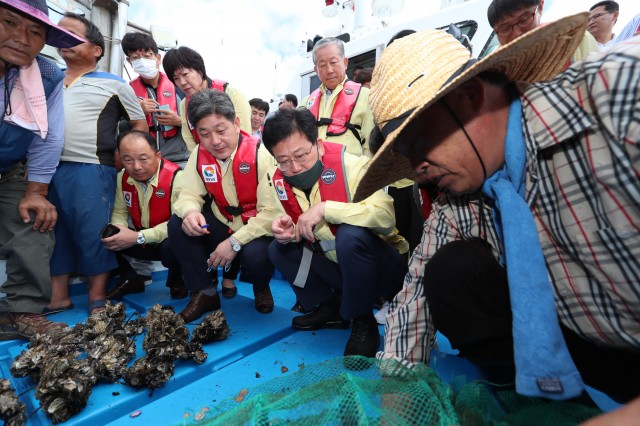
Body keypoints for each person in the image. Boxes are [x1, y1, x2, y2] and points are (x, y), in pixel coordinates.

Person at [353, 16, 640, 419]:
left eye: (417, 142)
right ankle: (543, 397)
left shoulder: (620, 96)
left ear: (469, 94)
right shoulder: (458, 197)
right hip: (578, 343)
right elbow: (414, 298)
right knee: (447, 271)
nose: (417, 168)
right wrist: (396, 406)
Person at [263, 108, 408, 358]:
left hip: (381, 270)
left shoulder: (354, 166)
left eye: (300, 155)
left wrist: (326, 209)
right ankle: (329, 308)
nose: (294, 167)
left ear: (318, 145)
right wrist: (283, 229)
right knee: (278, 248)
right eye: (284, 161)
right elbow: (282, 216)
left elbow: (385, 218)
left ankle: (363, 321)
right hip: (338, 271)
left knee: (350, 235)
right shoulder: (280, 182)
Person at [46, 13, 147, 316]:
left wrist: (119, 160)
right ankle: (59, 296)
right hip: (46, 169)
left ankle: (97, 297)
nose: (64, 40)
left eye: (73, 35)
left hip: (92, 169)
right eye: (59, 34)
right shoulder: (48, 78)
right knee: (53, 232)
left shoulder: (115, 84)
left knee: (94, 232)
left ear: (96, 50)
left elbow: (139, 124)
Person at [0, 0, 83, 339]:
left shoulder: (48, 76)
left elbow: (49, 137)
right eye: (8, 22)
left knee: (35, 220)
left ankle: (23, 311)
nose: (22, 37)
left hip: (9, 169)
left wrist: (36, 192)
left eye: (35, 31)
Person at [167, 89, 277, 323]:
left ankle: (261, 285)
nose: (214, 141)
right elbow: (187, 191)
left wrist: (235, 242)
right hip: (222, 221)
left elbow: (271, 213)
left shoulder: (262, 155)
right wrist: (191, 211)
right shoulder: (199, 154)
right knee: (178, 224)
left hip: (256, 227)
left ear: (236, 124)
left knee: (258, 256)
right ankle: (204, 291)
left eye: (221, 130)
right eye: (204, 134)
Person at [101, 130, 187, 301]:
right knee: (105, 234)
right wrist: (119, 231)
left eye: (143, 159)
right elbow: (119, 211)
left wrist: (139, 237)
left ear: (158, 155)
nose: (136, 167)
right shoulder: (121, 178)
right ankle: (130, 278)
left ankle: (177, 280)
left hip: (166, 238)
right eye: (128, 160)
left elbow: (178, 222)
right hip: (140, 238)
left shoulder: (178, 178)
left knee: (178, 242)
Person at [162, 46, 251, 153]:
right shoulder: (184, 104)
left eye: (185, 74)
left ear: (199, 69)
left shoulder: (232, 94)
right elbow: (189, 140)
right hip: (205, 164)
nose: (182, 82)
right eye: (176, 78)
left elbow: (244, 135)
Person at [121, 32, 189, 167]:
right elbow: (119, 128)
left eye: (147, 56)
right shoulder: (126, 92)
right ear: (129, 61)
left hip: (179, 160)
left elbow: (200, 123)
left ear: (158, 58)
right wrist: (136, 113)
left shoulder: (181, 86)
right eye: (135, 57)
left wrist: (179, 121)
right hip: (143, 162)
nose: (142, 61)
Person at [301, 37, 375, 157]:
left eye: (333, 62)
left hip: (350, 174)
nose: (329, 70)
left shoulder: (365, 95)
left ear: (345, 63)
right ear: (316, 70)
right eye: (323, 65)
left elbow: (370, 148)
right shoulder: (305, 103)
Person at [487, 0, 598, 65]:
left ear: (540, 6)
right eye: (505, 29)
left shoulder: (577, 38)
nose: (516, 34)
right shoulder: (494, 63)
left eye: (524, 19)